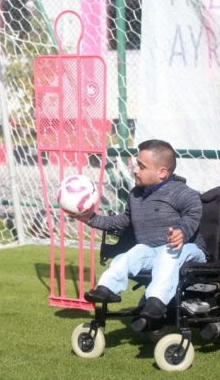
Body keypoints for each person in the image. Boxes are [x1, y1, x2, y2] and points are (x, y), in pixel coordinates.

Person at [74, 139, 206, 331]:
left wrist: (182, 232)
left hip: (187, 251)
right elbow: (123, 221)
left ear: (162, 172)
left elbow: (193, 212)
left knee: (168, 253)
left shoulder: (180, 192)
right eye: (136, 164)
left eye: (141, 166)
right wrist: (91, 219)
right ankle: (106, 288)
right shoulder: (135, 195)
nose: (135, 170)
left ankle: (156, 301)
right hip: (152, 251)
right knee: (133, 252)